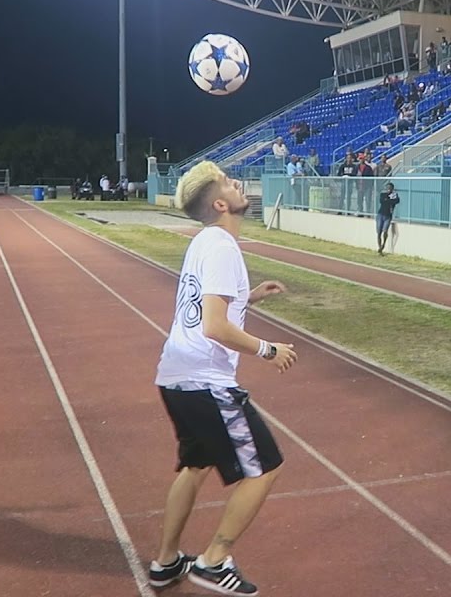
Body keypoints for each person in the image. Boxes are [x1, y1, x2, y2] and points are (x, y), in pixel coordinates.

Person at [149, 161, 297, 596]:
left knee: (194, 466)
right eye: (230, 184)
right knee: (265, 468)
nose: (238, 186)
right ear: (219, 203)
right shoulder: (222, 247)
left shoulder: (204, 242)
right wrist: (269, 350)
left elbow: (202, 308)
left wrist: (248, 298)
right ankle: (213, 562)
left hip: (175, 375)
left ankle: (166, 561)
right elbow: (214, 326)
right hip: (205, 379)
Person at [376, 181, 400, 255]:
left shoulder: (395, 195)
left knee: (385, 231)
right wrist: (390, 201)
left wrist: (389, 200)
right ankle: (380, 247)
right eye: (388, 188)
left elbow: (396, 201)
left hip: (388, 216)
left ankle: (383, 244)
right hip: (380, 214)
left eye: (390, 188)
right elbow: (382, 201)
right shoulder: (383, 194)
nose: (388, 189)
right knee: (379, 232)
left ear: (392, 189)